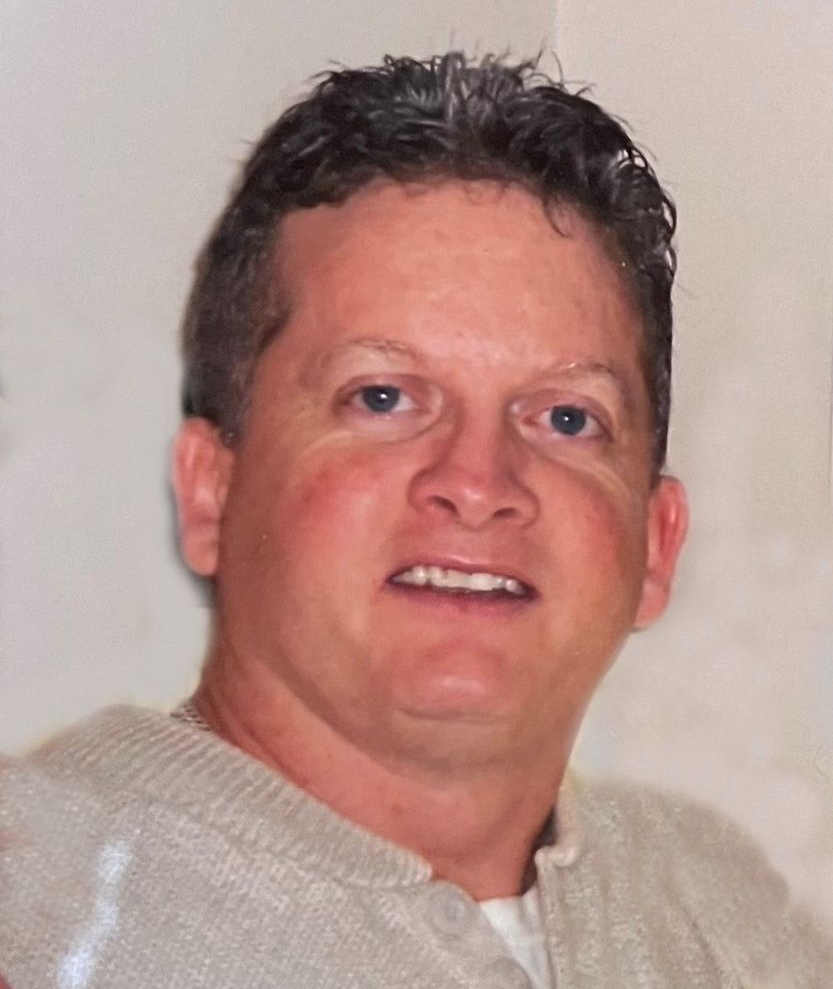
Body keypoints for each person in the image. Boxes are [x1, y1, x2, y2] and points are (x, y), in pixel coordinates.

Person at [1, 52, 830, 988]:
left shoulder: (737, 918)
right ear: (210, 493)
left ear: (657, 544)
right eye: (383, 396)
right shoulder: (30, 907)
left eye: (566, 418)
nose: (476, 483)